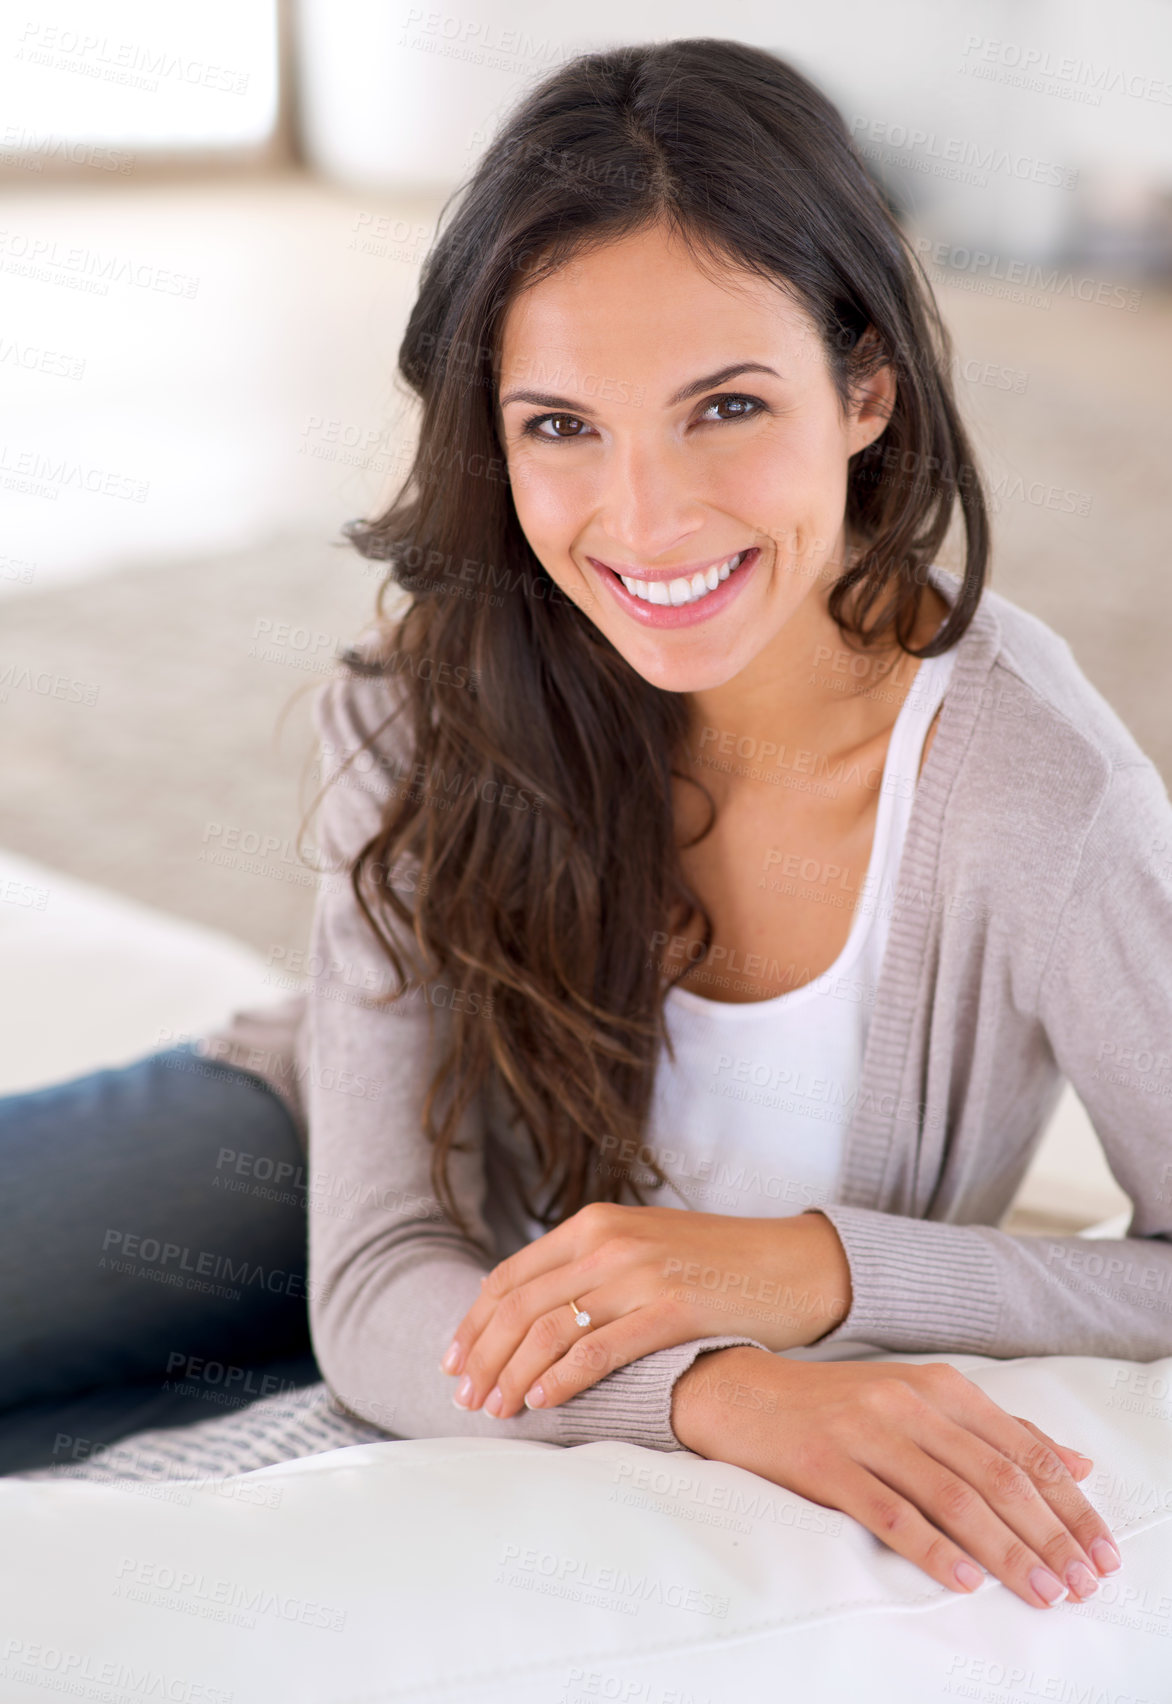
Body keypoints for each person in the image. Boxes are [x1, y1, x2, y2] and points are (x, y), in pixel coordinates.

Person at [4, 37, 1169, 1616]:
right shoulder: (429, 700)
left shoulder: (1037, 795)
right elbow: (375, 1278)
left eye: (728, 406)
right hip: (309, 1152)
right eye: (561, 426)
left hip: (481, 1339)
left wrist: (817, 1269)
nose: (647, 519)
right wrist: (718, 1387)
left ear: (868, 390)